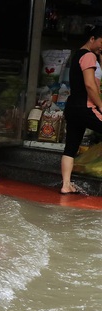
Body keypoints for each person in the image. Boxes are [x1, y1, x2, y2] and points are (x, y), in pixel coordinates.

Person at [61, 25, 102, 194]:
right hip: (86, 107)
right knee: (71, 146)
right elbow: (90, 84)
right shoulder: (89, 55)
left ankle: (65, 185)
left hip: (72, 108)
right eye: (101, 42)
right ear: (92, 39)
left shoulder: (78, 54)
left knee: (70, 147)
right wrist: (100, 104)